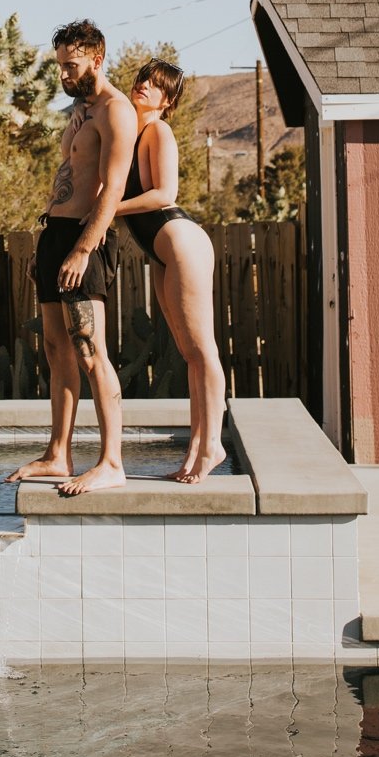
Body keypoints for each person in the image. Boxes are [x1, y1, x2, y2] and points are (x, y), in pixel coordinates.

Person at [7, 18, 136, 495]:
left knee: (89, 350)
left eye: (71, 65)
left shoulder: (115, 111)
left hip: (86, 240)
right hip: (56, 236)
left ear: (97, 58)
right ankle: (58, 454)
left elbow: (114, 185)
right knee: (57, 348)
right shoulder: (79, 109)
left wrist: (83, 247)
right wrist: (49, 242)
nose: (62, 74)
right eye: (59, 65)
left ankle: (111, 462)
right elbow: (70, 173)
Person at [116, 60, 227, 483]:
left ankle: (212, 444)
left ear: (169, 100)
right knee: (188, 355)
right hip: (162, 252)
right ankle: (196, 449)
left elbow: (165, 192)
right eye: (143, 79)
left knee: (203, 351)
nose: (144, 86)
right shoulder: (131, 134)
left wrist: (109, 209)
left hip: (180, 239)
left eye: (156, 85)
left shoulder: (157, 131)